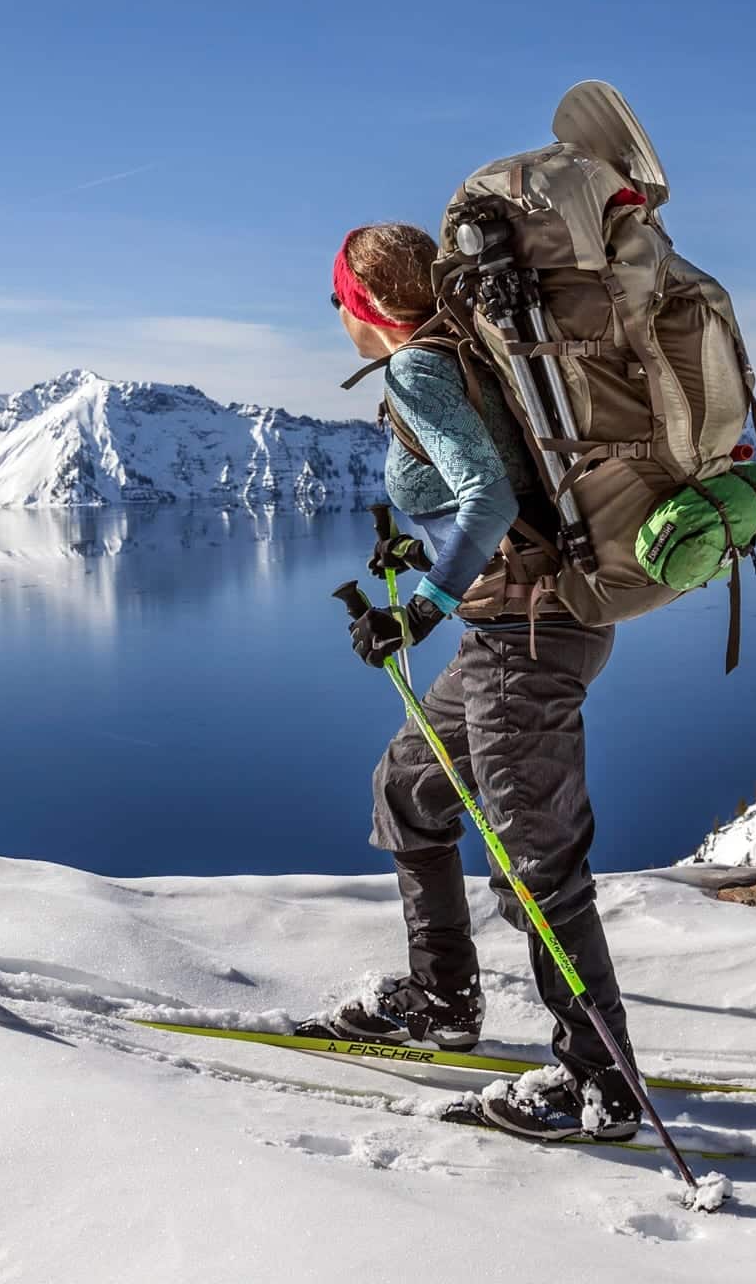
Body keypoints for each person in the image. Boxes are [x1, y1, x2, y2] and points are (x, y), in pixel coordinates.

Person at [319, 222, 640, 1142]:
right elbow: (504, 487)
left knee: (535, 864)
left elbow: (488, 497)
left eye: (340, 297)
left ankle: (599, 1086)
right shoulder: (471, 349)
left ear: (366, 304)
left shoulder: (419, 368)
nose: (338, 313)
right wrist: (424, 548)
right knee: (411, 791)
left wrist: (418, 607)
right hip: (519, 629)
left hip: (524, 643)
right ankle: (442, 998)